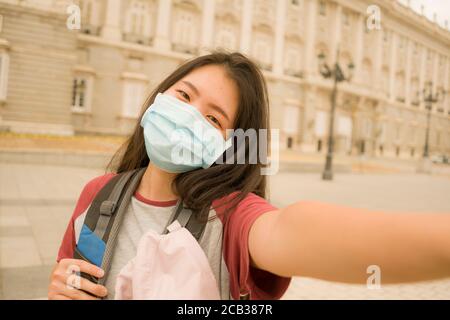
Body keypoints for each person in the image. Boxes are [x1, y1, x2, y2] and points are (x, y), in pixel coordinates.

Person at [48, 51, 450, 300]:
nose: (188, 114)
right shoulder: (98, 194)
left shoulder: (229, 217)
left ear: (232, 145)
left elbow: (294, 231)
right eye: (184, 95)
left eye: (212, 117)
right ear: (160, 94)